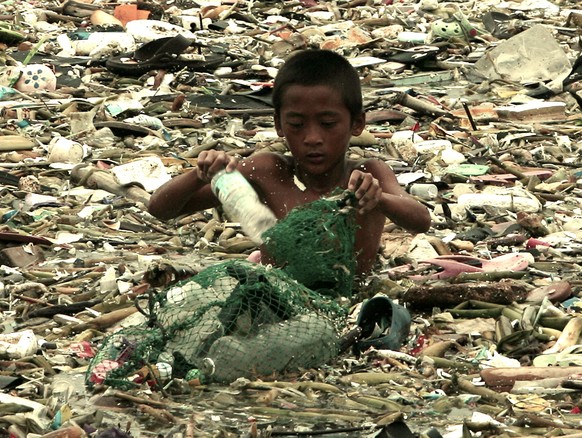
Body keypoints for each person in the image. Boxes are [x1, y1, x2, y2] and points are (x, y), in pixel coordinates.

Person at [148, 49, 431, 276]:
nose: (312, 138)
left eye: (328, 123)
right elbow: (160, 209)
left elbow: (420, 221)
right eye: (296, 124)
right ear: (279, 125)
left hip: (352, 298)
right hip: (280, 295)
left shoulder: (367, 175)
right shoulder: (267, 172)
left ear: (357, 123)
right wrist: (199, 174)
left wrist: (379, 199)